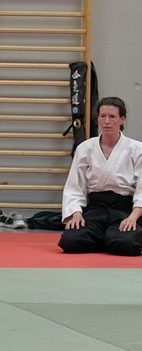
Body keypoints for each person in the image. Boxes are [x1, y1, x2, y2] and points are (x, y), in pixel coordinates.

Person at [58, 97, 142, 255]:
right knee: (71, 241)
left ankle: (108, 237)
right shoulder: (85, 148)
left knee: (127, 244)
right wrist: (76, 213)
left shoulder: (137, 149)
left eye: (112, 117)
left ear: (122, 119)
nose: (107, 121)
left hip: (123, 209)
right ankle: (107, 238)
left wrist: (133, 217)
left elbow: (141, 190)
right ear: (98, 119)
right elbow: (74, 186)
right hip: (96, 208)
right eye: (103, 116)